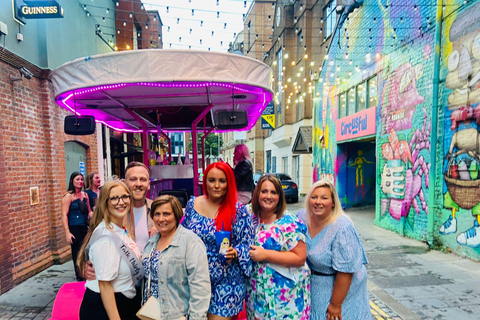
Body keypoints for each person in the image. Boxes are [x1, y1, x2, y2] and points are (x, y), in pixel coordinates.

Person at [182, 162, 254, 320]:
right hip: (195, 278)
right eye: (211, 180)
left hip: (227, 281)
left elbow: (248, 244)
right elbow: (181, 234)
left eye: (222, 181)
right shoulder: (192, 205)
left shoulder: (239, 210)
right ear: (205, 181)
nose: (216, 185)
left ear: (229, 183)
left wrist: (235, 252)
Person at [297, 180, 370, 320]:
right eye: (314, 197)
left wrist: (336, 304)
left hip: (341, 290)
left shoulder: (342, 228)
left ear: (333, 203)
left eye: (324, 198)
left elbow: (346, 271)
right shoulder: (301, 217)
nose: (318, 202)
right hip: (314, 286)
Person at [246, 174, 310, 320]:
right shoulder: (248, 214)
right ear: (257, 193)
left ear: (279, 196)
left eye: (273, 192)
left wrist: (266, 255)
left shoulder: (289, 223)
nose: (268, 196)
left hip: (285, 297)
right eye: (264, 191)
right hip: (257, 293)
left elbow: (300, 257)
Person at [77, 181, 142, 320]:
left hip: (122, 302)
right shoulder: (106, 239)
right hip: (106, 308)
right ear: (104, 202)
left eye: (125, 196)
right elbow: (105, 285)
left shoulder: (119, 228)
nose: (121, 202)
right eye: (114, 198)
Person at [143, 195, 211, 320]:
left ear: (176, 215)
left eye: (166, 214)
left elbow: (201, 287)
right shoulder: (151, 243)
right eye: (157, 214)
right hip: (150, 314)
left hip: (177, 315)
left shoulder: (190, 242)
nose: (161, 219)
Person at [61, 172, 93, 281]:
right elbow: (64, 215)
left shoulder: (85, 195)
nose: (80, 182)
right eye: (77, 179)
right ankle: (79, 276)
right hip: (74, 228)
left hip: (85, 227)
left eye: (81, 179)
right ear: (72, 181)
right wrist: (67, 232)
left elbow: (89, 212)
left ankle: (87, 274)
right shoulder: (68, 196)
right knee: (77, 253)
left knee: (86, 252)